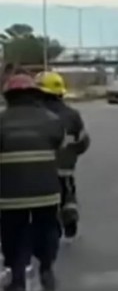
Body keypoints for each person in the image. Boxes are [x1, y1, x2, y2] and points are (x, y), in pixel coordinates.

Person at [0, 74, 65, 291]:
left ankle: (18, 280)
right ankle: (46, 269)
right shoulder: (52, 120)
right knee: (47, 229)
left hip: (9, 194)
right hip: (46, 190)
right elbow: (61, 146)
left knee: (13, 233)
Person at [35, 71, 91, 245]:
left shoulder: (34, 114)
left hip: (38, 168)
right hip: (64, 166)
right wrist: (72, 153)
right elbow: (83, 141)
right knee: (67, 193)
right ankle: (69, 217)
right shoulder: (72, 114)